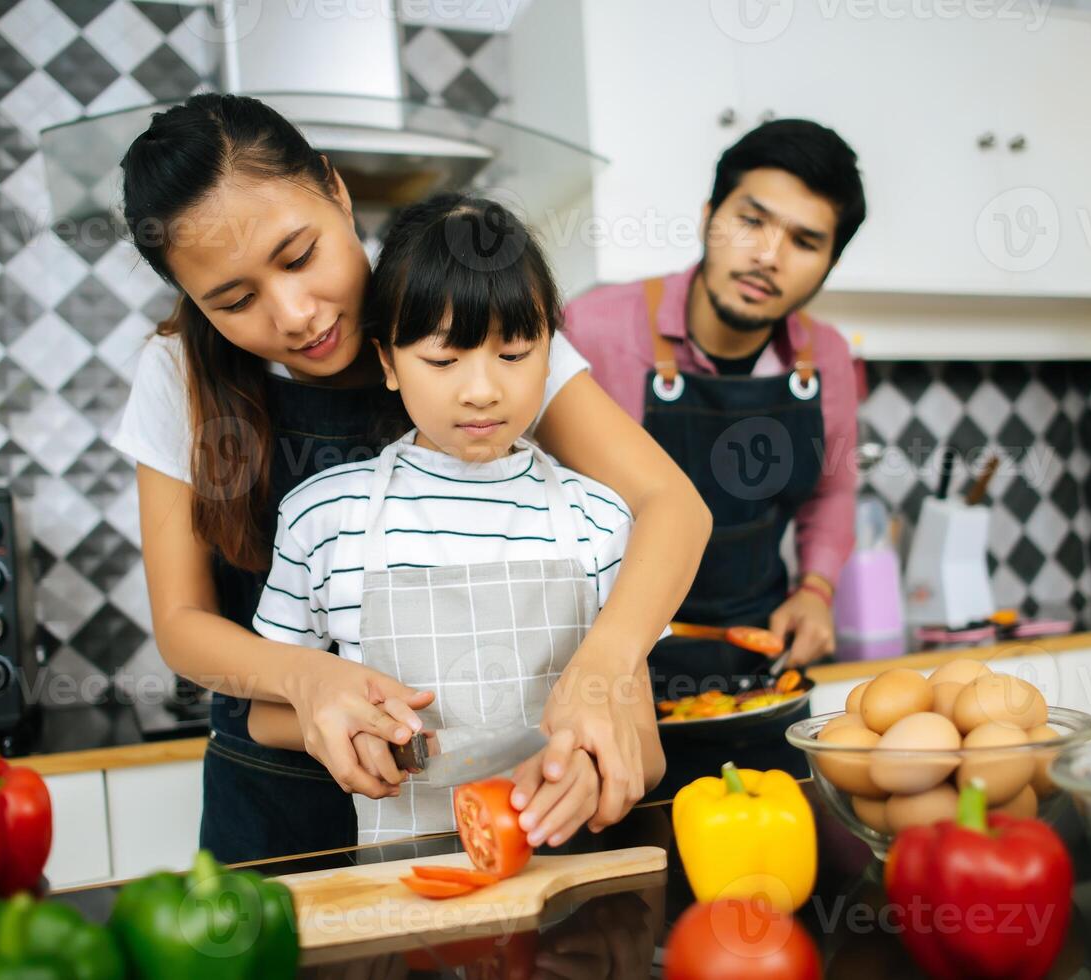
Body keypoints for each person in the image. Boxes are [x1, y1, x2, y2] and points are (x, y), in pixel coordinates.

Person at [109, 94, 709, 862]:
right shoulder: (176, 373)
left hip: (501, 797)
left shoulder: (479, 328)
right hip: (275, 800)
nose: (293, 314)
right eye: (235, 299)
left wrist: (601, 670)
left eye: (299, 256)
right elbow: (183, 622)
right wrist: (307, 679)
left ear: (334, 188)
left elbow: (671, 506)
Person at [244, 194, 665, 846]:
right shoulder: (323, 517)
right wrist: (347, 728)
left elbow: (645, 740)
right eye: (443, 361)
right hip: (400, 891)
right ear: (386, 363)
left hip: (569, 879)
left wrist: (592, 767)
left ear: (551, 353)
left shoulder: (598, 518)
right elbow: (266, 715)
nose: (481, 389)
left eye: (515, 353)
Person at [561, 119, 865, 795]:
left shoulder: (831, 358)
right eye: (751, 221)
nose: (768, 256)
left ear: (829, 263)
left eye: (805, 241)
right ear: (708, 217)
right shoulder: (591, 329)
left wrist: (815, 591)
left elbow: (830, 492)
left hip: (760, 684)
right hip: (612, 682)